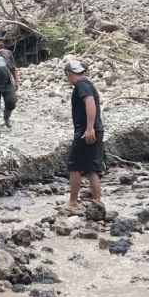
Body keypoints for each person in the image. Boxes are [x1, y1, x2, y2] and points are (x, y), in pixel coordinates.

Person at [64, 59, 104, 212]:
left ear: (69, 74)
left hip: (86, 131)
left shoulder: (81, 85)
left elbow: (90, 102)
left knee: (74, 166)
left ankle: (73, 202)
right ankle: (97, 202)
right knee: (91, 168)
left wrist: (89, 128)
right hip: (96, 129)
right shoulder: (88, 83)